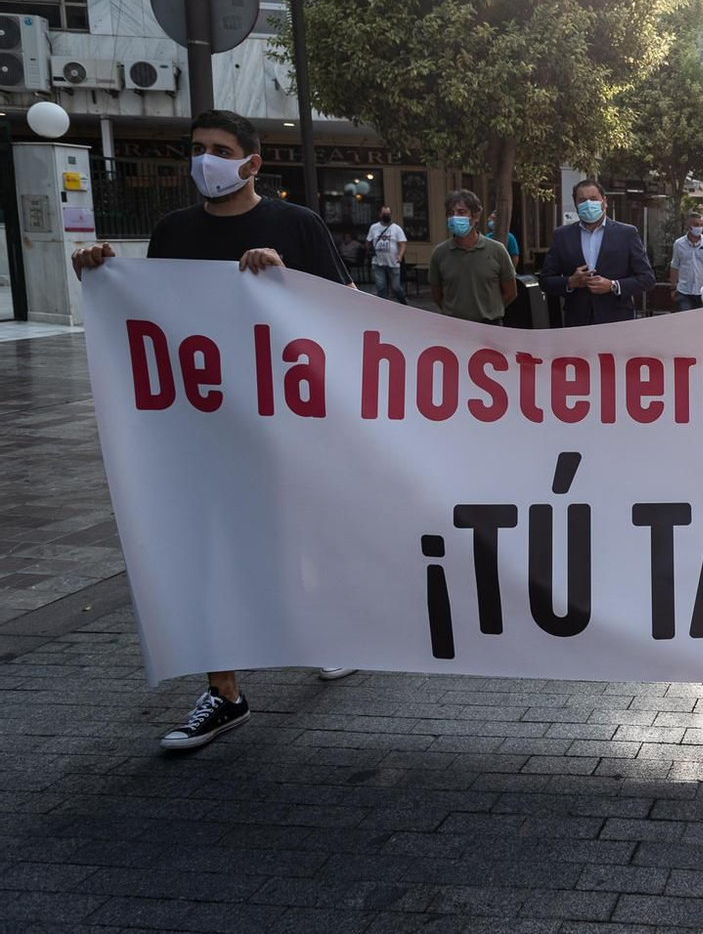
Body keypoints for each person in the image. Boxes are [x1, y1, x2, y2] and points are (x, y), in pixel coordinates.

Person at [70, 109, 357, 751]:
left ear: (252, 162)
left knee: (289, 539)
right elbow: (157, 320)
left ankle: (322, 630)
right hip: (199, 429)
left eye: (221, 149)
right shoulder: (173, 231)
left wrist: (284, 282)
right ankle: (223, 691)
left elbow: (347, 316)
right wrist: (102, 279)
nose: (206, 160)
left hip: (284, 426)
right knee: (202, 550)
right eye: (197, 149)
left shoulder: (297, 226)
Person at [538, 179, 656, 326]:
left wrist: (613, 285)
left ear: (604, 202)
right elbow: (545, 281)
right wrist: (570, 282)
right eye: (582, 200)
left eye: (593, 199)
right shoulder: (562, 236)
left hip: (617, 320)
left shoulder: (627, 234)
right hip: (577, 321)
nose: (588, 204)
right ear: (576, 205)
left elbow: (647, 279)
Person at [428, 189, 518, 324]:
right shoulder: (440, 253)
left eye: (461, 212)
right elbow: (437, 295)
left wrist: (490, 311)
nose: (455, 217)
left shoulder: (497, 250)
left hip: (489, 326)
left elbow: (510, 292)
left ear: (475, 217)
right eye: (450, 213)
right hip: (454, 327)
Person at [668, 211, 703, 311]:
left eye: (701, 225)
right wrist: (673, 288)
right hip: (684, 292)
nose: (699, 228)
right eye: (696, 225)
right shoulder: (679, 244)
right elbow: (675, 266)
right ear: (689, 226)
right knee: (686, 322)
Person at [366, 206, 408, 303]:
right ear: (380, 215)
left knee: (396, 287)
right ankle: (383, 305)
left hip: (393, 262)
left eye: (388, 214)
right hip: (378, 262)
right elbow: (368, 241)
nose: (386, 216)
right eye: (384, 214)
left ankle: (403, 303)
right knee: (381, 287)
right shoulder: (374, 227)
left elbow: (402, 244)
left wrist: (400, 256)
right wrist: (369, 251)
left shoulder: (396, 229)